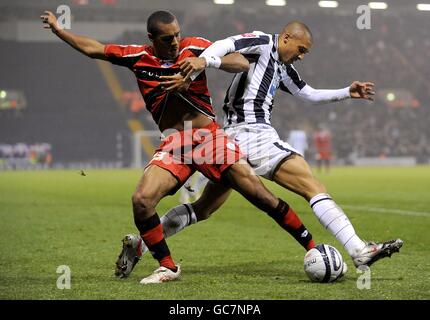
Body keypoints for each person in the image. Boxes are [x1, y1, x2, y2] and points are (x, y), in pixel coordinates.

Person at [41, 11, 317, 284]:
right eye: (167, 38)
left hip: (209, 137)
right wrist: (58, 30)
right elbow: (94, 49)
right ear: (152, 38)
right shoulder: (138, 57)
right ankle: (167, 267)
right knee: (142, 201)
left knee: (260, 195)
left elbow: (241, 62)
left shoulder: (194, 46)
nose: (174, 42)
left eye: (177, 35)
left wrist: (203, 63)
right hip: (175, 141)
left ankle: (313, 248)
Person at [120, 21, 403, 278]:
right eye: (301, 49)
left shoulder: (283, 67)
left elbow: (308, 93)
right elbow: (227, 44)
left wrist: (345, 92)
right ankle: (358, 250)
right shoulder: (261, 42)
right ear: (286, 37)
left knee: (204, 209)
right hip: (252, 133)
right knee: (312, 185)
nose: (302, 55)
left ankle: (141, 245)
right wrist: (204, 60)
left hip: (230, 139)